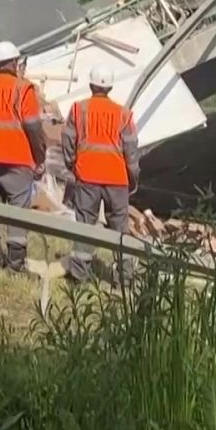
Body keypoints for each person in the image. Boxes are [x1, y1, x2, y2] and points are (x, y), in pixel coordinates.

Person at [0, 41, 48, 272]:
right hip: (18, 160)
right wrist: (39, 157)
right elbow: (33, 127)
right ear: (14, 63)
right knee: (17, 212)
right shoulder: (23, 89)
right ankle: (15, 264)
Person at [61, 66, 140, 284]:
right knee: (120, 229)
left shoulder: (78, 109)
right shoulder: (123, 114)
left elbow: (67, 139)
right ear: (110, 87)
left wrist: (72, 165)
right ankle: (124, 278)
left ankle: (79, 276)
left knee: (85, 225)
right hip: (117, 179)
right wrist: (133, 177)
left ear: (91, 85)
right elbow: (131, 150)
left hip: (87, 175)